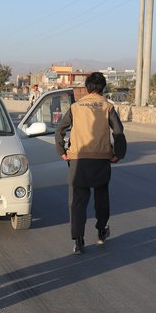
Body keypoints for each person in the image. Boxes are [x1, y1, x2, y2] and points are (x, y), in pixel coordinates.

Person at [55, 72, 126, 255]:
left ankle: (78, 241)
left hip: (78, 160)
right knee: (101, 198)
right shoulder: (107, 107)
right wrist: (118, 154)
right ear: (103, 89)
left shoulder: (75, 107)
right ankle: (102, 232)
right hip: (101, 160)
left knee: (78, 202)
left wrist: (62, 151)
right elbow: (118, 132)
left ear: (86, 88)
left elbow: (60, 130)